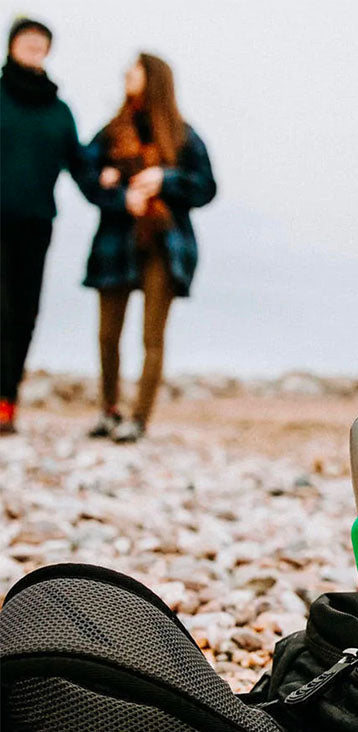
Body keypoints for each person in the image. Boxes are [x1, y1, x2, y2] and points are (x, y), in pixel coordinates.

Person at [82, 52, 216, 443]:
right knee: (108, 333)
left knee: (151, 337)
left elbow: (206, 186)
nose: (126, 73)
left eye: (135, 68)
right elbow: (84, 171)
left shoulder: (182, 135)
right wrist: (121, 197)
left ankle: (139, 418)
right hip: (115, 242)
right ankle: (109, 411)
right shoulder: (110, 132)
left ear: (154, 78)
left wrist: (165, 179)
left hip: (164, 243)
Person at [0, 17, 85, 435]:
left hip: (36, 224)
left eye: (41, 42)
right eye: (27, 39)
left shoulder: (58, 111)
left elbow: (82, 166)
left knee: (24, 313)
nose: (34, 46)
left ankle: (6, 401)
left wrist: (120, 194)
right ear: (12, 46)